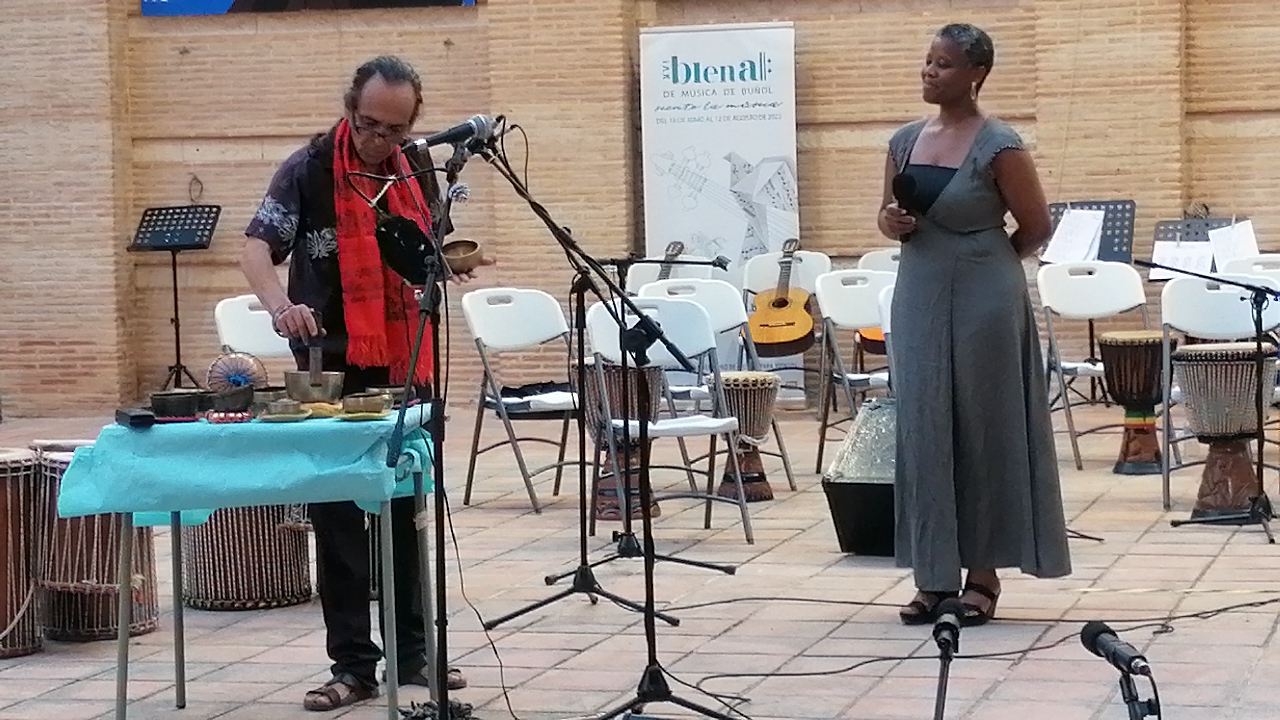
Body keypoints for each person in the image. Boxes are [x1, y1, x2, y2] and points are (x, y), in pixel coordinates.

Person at [240, 55, 492, 711]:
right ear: (351, 108)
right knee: (340, 521)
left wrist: (447, 264)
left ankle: (414, 655)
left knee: (406, 511)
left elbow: (422, 252)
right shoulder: (309, 169)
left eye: (394, 129)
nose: (380, 139)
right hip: (327, 366)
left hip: (405, 361)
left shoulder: (416, 168)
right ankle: (352, 666)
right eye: (369, 124)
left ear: (412, 124)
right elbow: (256, 248)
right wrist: (279, 306)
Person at [876, 24, 1071, 628]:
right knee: (924, 426)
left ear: (976, 74)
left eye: (944, 63)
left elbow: (1037, 226)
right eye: (928, 60)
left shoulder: (999, 143)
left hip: (986, 293)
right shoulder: (904, 140)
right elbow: (884, 215)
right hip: (919, 289)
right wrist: (890, 223)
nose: (930, 71)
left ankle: (982, 575)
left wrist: (987, 264)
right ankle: (932, 575)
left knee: (983, 427)